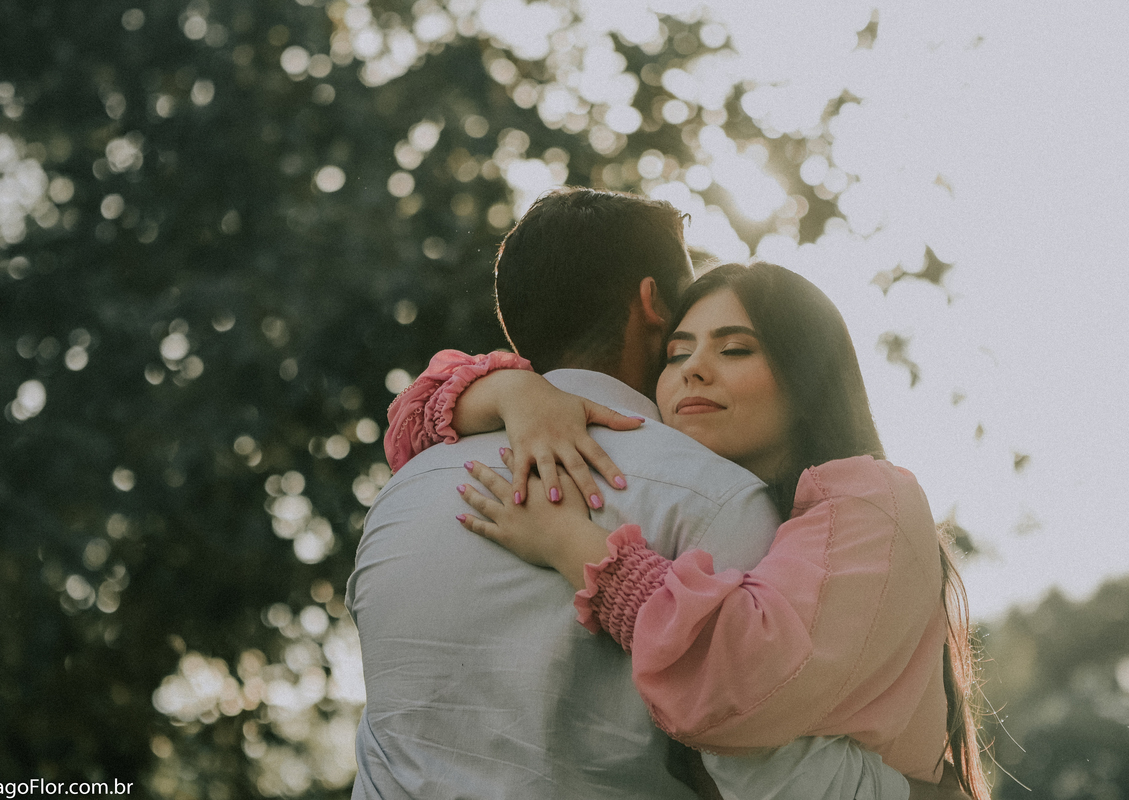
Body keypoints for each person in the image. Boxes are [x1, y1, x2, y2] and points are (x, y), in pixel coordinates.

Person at [349, 188, 952, 798]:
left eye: (735, 348)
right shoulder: (716, 499)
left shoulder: (403, 492)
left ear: (808, 374)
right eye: (676, 352)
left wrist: (578, 546)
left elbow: (742, 688)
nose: (692, 369)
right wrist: (512, 392)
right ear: (652, 305)